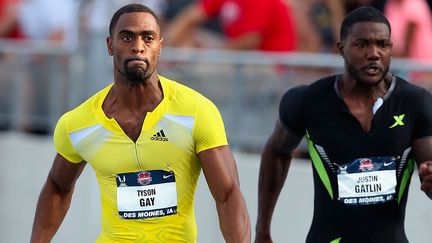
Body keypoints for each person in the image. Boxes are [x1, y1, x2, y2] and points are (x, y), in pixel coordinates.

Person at [30, 4, 250, 243]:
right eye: (127, 37)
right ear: (110, 46)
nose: (138, 47)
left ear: (160, 46)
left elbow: (228, 195)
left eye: (148, 38)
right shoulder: (78, 123)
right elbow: (57, 187)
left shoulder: (196, 111)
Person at [255, 6, 432, 243]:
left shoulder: (415, 102)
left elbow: (428, 174)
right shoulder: (308, 101)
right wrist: (262, 229)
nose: (374, 53)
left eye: (383, 44)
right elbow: (277, 151)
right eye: (362, 44)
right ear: (341, 49)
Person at [165, 0, 297, 51]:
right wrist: (167, 44)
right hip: (241, 59)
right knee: (192, 37)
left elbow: (251, 40)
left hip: (269, 68)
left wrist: (212, 53)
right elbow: (191, 16)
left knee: (197, 67)